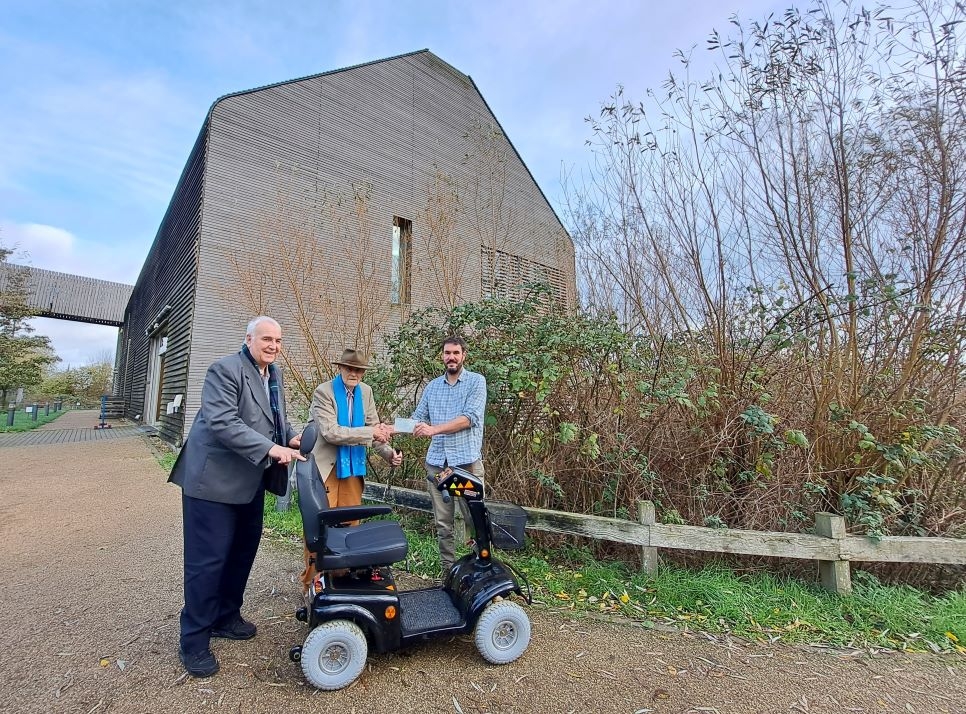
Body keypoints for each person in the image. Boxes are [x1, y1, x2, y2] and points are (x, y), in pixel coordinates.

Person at [168, 316, 305, 678]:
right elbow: (223, 421)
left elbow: (275, 420)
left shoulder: (273, 376)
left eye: (278, 340)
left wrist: (289, 437)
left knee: (241, 552)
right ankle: (193, 640)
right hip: (212, 483)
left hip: (248, 481)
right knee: (207, 561)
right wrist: (273, 449)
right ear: (248, 339)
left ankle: (226, 616)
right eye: (266, 339)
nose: (273, 346)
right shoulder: (224, 370)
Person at [299, 348, 402, 592]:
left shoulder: (366, 392)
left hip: (353, 468)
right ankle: (312, 583)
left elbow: (374, 431)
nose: (353, 373)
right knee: (319, 528)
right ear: (340, 368)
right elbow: (331, 432)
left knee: (350, 524)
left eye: (358, 370)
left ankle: (342, 577)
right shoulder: (323, 392)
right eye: (349, 368)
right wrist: (371, 432)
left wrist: (389, 454)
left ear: (363, 373)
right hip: (327, 468)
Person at [411, 336, 487, 575]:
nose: (451, 357)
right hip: (437, 465)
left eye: (455, 353)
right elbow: (417, 417)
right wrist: (388, 429)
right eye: (447, 353)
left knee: (475, 521)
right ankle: (449, 573)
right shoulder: (432, 387)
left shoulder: (476, 382)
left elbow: (469, 418)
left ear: (464, 355)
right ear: (442, 356)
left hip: (465, 465)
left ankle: (479, 571)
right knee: (443, 524)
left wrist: (434, 429)